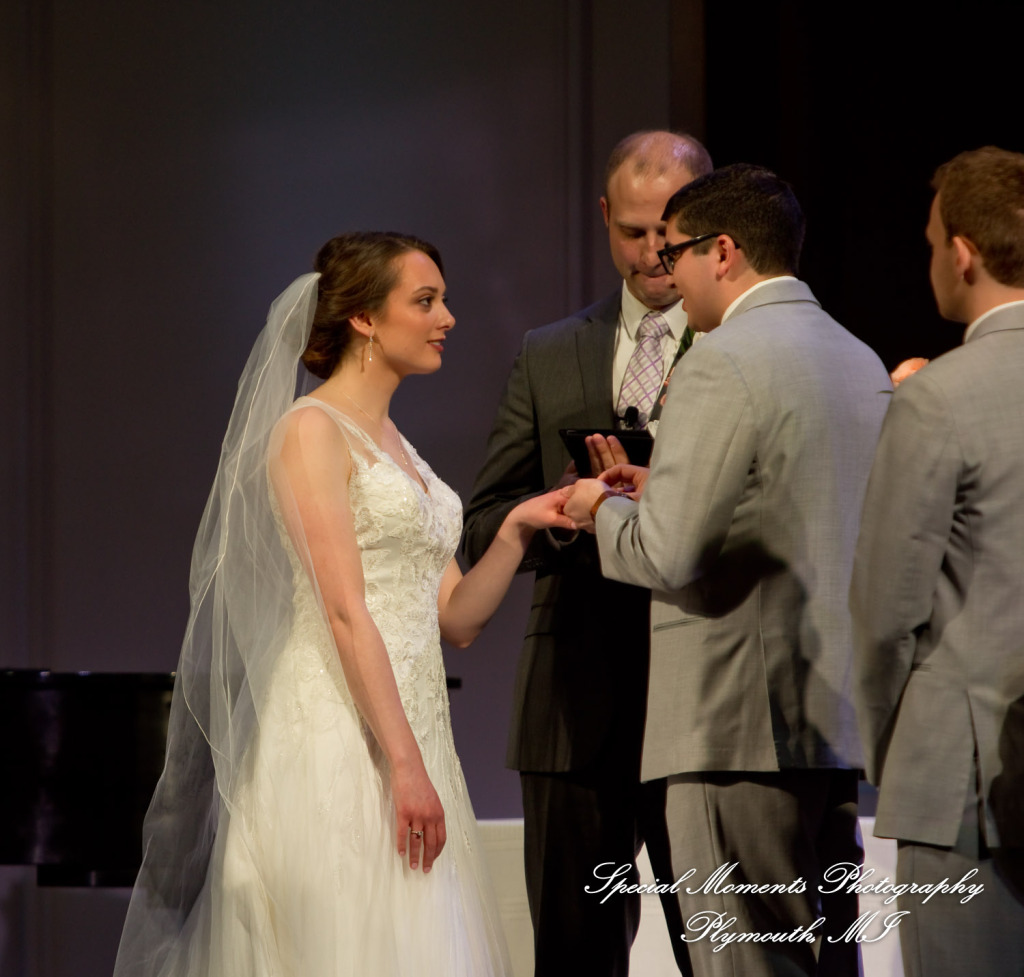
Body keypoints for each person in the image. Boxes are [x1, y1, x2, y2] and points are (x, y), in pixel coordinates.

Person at [112, 232, 577, 977]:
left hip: (413, 735)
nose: (447, 318)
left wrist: (519, 526)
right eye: (425, 301)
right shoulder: (311, 431)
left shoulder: (398, 447)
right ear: (364, 318)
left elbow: (457, 619)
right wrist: (404, 765)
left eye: (443, 300)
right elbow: (344, 610)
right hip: (338, 736)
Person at [565, 164, 891, 976]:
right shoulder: (857, 357)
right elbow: (798, 505)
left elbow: (668, 553)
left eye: (674, 251)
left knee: (745, 961)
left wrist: (597, 507)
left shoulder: (721, 359)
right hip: (828, 722)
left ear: (724, 251)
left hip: (732, 724)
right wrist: (663, 486)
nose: (665, 271)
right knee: (824, 957)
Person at [462, 130, 712, 976]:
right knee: (574, 957)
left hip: (700, 696)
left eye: (668, 232)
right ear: (604, 217)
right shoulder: (550, 349)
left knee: (718, 953)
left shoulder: (737, 345)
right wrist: (561, 509)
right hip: (572, 706)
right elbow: (482, 520)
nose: (652, 253)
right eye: (632, 232)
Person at [851, 146, 1024, 977]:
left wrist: (889, 747)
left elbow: (885, 610)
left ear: (961, 252)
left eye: (929, 245)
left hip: (963, 780)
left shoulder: (937, 398)